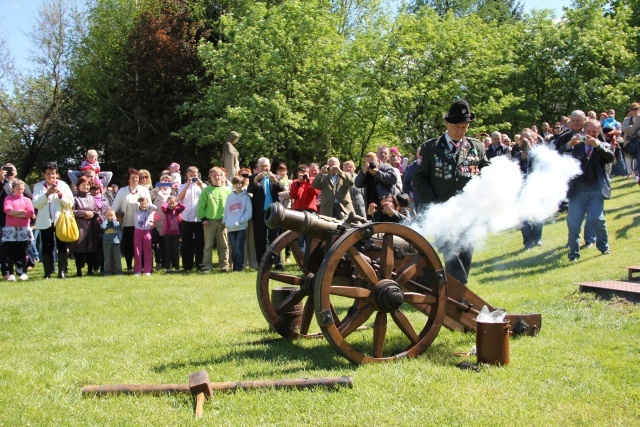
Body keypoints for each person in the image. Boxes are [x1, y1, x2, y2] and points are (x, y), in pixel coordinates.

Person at [412, 99, 490, 285]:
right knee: (451, 252)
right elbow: (419, 178)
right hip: (442, 211)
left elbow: (487, 170)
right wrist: (433, 203)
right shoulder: (430, 148)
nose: (460, 130)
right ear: (447, 124)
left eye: (464, 126)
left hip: (469, 211)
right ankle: (460, 292)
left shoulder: (476, 147)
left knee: (465, 252)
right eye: (456, 126)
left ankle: (453, 291)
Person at [558, 119, 615, 261]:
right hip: (577, 191)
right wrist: (569, 144)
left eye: (594, 132)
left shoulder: (603, 145)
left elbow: (611, 158)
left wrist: (597, 146)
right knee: (574, 224)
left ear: (599, 132)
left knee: (597, 219)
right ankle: (574, 255)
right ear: (583, 131)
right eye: (588, 131)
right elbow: (557, 156)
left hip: (596, 191)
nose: (591, 135)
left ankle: (604, 246)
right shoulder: (575, 145)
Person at [33, 162, 74, 279]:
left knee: (62, 245)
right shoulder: (38, 186)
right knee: (47, 246)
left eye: (53, 174)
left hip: (60, 220)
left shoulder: (63, 185)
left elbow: (71, 203)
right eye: (48, 174)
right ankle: (47, 272)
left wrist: (60, 195)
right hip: (45, 221)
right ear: (44, 175)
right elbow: (36, 204)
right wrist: (47, 195)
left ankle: (61, 271)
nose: (51, 176)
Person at [111, 168, 152, 273]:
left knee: (143, 247)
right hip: (128, 224)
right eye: (133, 178)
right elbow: (115, 207)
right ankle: (129, 267)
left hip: (142, 225)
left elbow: (151, 207)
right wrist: (111, 218)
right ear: (128, 180)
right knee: (129, 246)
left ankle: (143, 267)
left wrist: (151, 221)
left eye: (137, 178)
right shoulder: (122, 191)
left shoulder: (144, 190)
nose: (135, 180)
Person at [248, 157, 284, 270]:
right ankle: (261, 263)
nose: (265, 168)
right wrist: (256, 180)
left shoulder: (276, 177)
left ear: (270, 166)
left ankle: (278, 263)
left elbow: (282, 189)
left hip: (273, 212)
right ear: (258, 167)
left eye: (266, 166)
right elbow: (249, 190)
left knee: (275, 238)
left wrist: (275, 181)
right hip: (259, 213)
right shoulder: (253, 178)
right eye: (262, 166)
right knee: (260, 239)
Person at [198, 167, 231, 273]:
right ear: (210, 177)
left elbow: (230, 206)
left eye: (219, 175)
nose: (217, 177)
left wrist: (228, 219)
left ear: (222, 177)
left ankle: (224, 265)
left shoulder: (227, 190)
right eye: (214, 175)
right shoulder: (206, 190)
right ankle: (207, 266)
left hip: (223, 221)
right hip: (209, 221)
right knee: (208, 245)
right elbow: (201, 206)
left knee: (224, 245)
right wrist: (203, 219)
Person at [515, 130, 544, 250]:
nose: (527, 141)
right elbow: (513, 169)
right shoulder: (518, 155)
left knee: (538, 214)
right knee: (523, 217)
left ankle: (537, 238)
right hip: (522, 189)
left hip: (537, 187)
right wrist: (522, 159)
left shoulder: (540, 153)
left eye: (529, 139)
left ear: (535, 139)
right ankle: (527, 241)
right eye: (524, 139)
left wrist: (531, 153)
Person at [2, 180, 34, 281]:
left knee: (23, 251)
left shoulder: (27, 200)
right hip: (11, 228)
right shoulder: (8, 198)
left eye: (22, 189)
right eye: (18, 189)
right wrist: (22, 212)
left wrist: (15, 213)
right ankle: (11, 273)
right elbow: (7, 210)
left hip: (24, 228)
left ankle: (23, 272)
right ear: (13, 189)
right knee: (11, 251)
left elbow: (30, 212)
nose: (20, 191)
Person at [71, 176, 101, 277]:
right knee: (79, 249)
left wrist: (96, 215)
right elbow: (72, 212)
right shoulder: (75, 198)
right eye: (83, 185)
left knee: (91, 249)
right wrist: (84, 213)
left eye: (87, 185)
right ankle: (79, 270)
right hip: (79, 226)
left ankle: (90, 270)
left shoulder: (92, 198)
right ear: (78, 186)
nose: (86, 187)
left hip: (91, 227)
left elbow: (97, 211)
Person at [354, 152, 399, 220]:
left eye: (372, 162)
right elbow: (357, 184)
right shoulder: (366, 171)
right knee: (373, 227)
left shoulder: (385, 167)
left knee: (388, 224)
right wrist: (363, 173)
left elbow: (393, 179)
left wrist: (377, 173)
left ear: (377, 160)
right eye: (368, 163)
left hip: (386, 204)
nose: (370, 165)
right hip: (371, 206)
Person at [177, 166, 205, 271]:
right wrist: (187, 186)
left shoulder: (202, 185)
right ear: (187, 175)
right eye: (191, 175)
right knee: (186, 242)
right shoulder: (182, 186)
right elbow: (179, 198)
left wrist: (201, 184)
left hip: (199, 217)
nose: (193, 177)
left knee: (200, 242)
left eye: (195, 175)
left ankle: (200, 264)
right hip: (186, 217)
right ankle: (187, 265)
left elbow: (207, 197)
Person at [223, 177, 253, 271]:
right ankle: (235, 266)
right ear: (233, 184)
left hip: (241, 227)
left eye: (240, 183)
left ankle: (238, 267)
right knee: (234, 247)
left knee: (239, 247)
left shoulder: (246, 197)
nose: (238, 185)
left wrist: (240, 221)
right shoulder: (230, 196)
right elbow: (226, 210)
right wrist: (225, 221)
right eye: (236, 183)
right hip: (230, 227)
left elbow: (249, 212)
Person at [150, 174, 174, 270]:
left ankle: (167, 262)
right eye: (163, 180)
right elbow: (149, 197)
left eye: (168, 181)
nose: (165, 182)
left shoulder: (172, 191)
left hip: (169, 221)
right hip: (157, 220)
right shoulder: (156, 191)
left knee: (167, 243)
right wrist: (157, 188)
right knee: (157, 243)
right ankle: (158, 262)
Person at [133, 196, 157, 276]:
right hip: (138, 232)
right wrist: (140, 203)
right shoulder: (136, 210)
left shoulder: (148, 210)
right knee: (137, 251)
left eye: (145, 204)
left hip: (147, 232)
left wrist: (147, 204)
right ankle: (138, 270)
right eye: (142, 204)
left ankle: (147, 270)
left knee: (148, 251)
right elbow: (135, 204)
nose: (144, 205)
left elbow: (155, 207)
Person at [161, 195, 184, 272]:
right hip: (167, 233)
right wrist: (166, 203)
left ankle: (177, 267)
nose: (171, 205)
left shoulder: (177, 210)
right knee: (167, 250)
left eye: (173, 203)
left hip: (176, 233)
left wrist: (178, 203)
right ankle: (168, 267)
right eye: (170, 203)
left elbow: (183, 207)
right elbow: (162, 207)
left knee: (176, 251)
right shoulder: (166, 210)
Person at [101, 208, 123, 275]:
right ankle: (107, 272)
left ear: (115, 216)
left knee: (117, 258)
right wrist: (106, 221)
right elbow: (103, 227)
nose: (110, 217)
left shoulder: (116, 223)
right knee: (107, 259)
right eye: (108, 216)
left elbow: (117, 226)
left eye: (111, 215)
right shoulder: (105, 223)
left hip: (116, 243)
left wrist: (114, 220)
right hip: (106, 243)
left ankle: (118, 272)